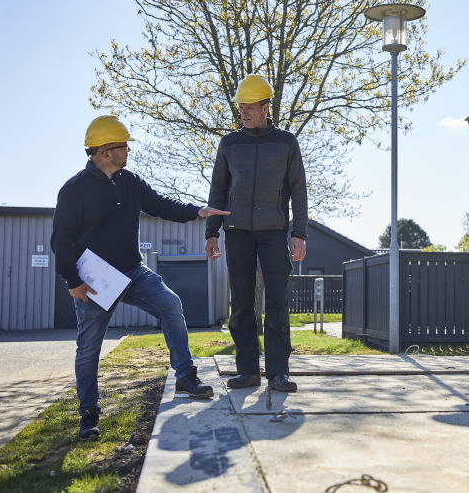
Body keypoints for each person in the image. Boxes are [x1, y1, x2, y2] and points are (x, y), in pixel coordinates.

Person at [51, 115, 230, 440]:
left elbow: (160, 205)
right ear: (105, 151)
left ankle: (185, 375)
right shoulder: (75, 189)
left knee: (170, 304)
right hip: (95, 280)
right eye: (124, 146)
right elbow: (61, 240)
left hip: (133, 271)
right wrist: (72, 281)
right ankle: (89, 414)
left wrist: (197, 211)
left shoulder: (129, 181)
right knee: (89, 347)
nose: (128, 151)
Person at [205, 74, 308, 393]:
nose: (244, 111)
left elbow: (298, 190)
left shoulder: (286, 142)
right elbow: (218, 188)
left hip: (274, 232)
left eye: (250, 106)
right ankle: (247, 370)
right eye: (241, 106)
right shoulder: (229, 144)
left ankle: (278, 373)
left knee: (277, 301)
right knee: (242, 304)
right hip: (236, 232)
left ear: (266, 106)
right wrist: (212, 232)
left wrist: (299, 232)